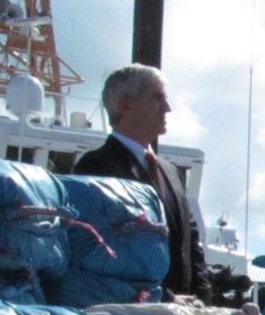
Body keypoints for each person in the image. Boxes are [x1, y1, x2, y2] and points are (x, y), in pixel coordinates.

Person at [74, 63, 210, 302]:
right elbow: (101, 252)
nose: (167, 108)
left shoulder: (171, 172)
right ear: (126, 104)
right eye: (157, 98)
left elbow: (190, 243)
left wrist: (204, 300)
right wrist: (164, 299)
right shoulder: (96, 167)